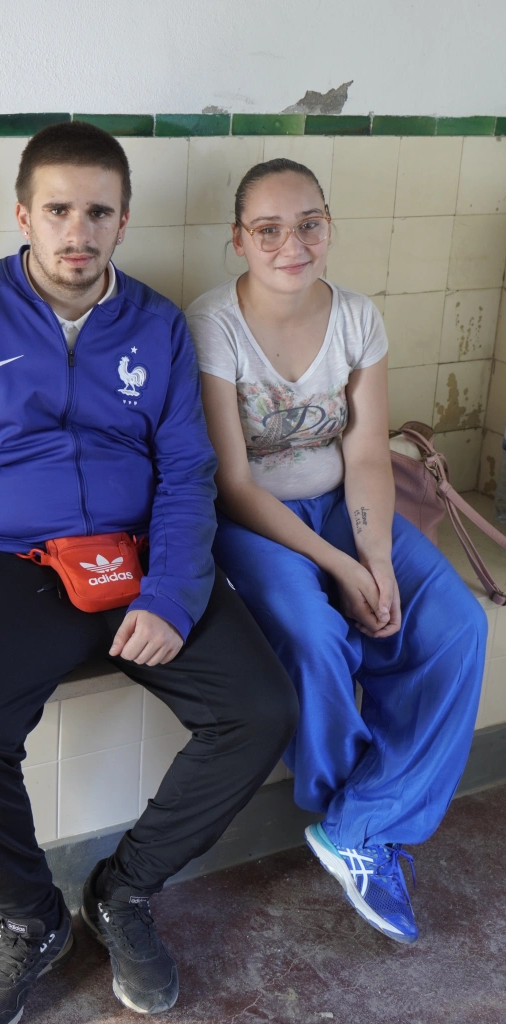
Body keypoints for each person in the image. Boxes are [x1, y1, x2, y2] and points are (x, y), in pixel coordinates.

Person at [0, 125, 298, 1023]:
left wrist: (171, 593)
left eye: (98, 211)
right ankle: (32, 919)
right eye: (57, 209)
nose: (77, 231)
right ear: (23, 214)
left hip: (138, 556)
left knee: (259, 710)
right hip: (5, 562)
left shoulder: (156, 324)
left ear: (123, 221)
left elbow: (186, 472)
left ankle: (123, 891)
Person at [186, 157, 487, 945]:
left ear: (329, 227)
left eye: (309, 224)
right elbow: (234, 482)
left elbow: (362, 455)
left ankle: (359, 828)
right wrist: (340, 567)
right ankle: (351, 810)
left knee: (457, 624)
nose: (293, 244)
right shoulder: (212, 323)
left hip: (344, 503)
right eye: (269, 229)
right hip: (255, 521)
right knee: (314, 634)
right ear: (238, 239)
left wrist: (376, 558)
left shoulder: (357, 317)